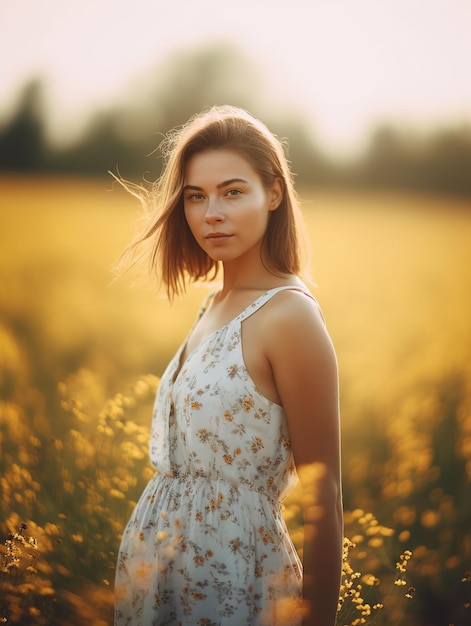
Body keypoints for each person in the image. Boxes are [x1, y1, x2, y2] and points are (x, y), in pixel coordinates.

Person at [114, 105, 343, 626]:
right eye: (196, 196)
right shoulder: (213, 303)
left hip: (235, 578)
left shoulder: (290, 316)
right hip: (159, 574)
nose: (210, 212)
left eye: (233, 191)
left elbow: (324, 495)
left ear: (274, 194)